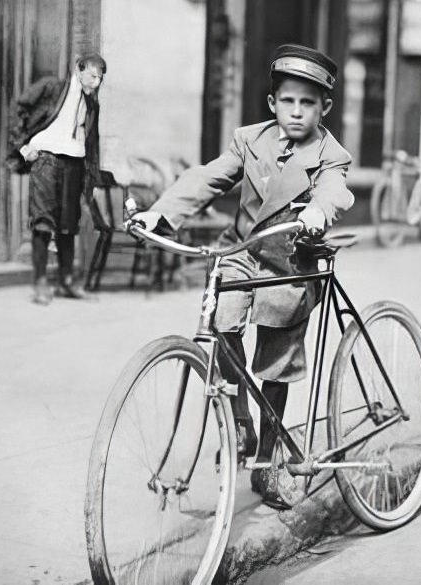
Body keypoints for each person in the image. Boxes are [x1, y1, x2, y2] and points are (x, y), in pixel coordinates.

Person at [133, 44, 353, 509]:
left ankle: (269, 464)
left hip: (289, 264)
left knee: (274, 365)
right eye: (288, 101)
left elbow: (335, 190)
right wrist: (161, 214)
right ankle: (240, 421)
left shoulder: (331, 154)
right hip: (241, 252)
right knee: (221, 323)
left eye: (308, 103)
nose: (297, 112)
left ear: (324, 107)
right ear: (272, 103)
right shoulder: (249, 139)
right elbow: (211, 177)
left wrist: (319, 208)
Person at [6, 53, 106, 305]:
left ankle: (66, 282)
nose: (95, 82)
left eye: (100, 78)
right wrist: (23, 147)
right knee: (42, 221)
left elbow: (92, 144)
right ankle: (40, 282)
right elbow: (19, 107)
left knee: (68, 224)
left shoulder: (92, 105)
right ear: (78, 70)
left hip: (74, 164)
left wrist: (90, 178)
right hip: (47, 161)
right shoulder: (52, 88)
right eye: (92, 76)